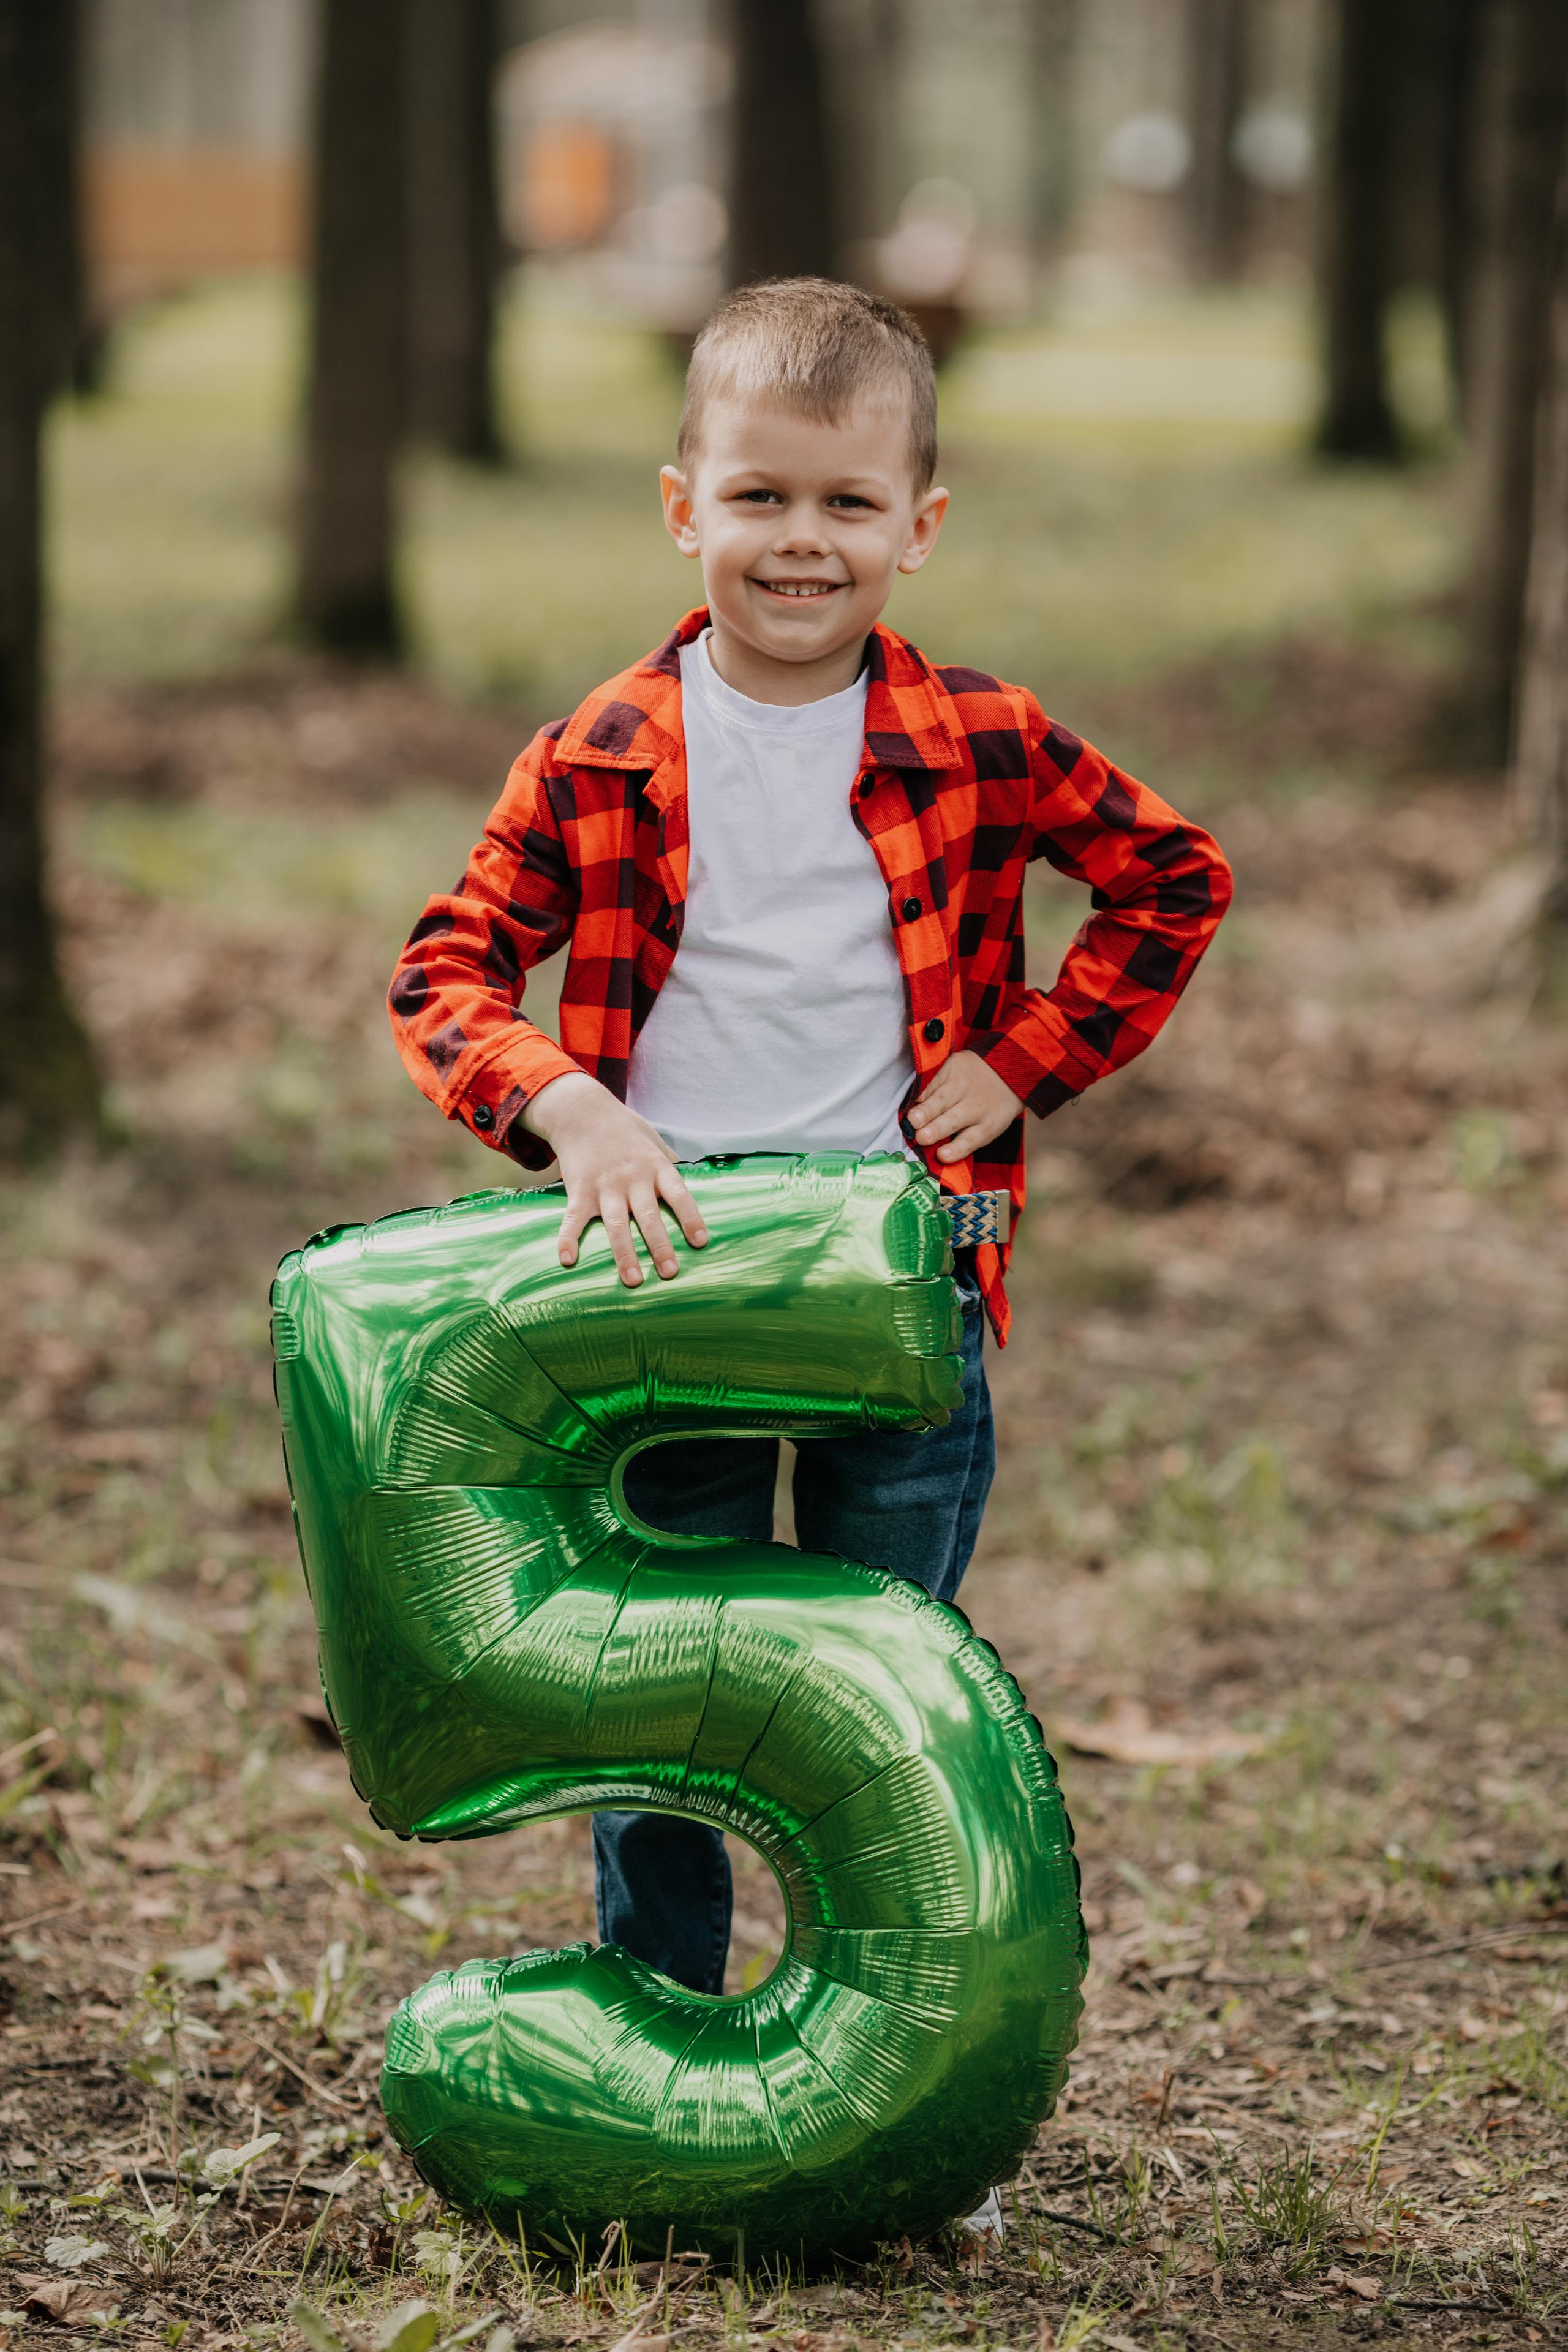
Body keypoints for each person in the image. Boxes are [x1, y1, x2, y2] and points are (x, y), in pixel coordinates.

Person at [388, 279, 1231, 2199]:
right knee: (664, 1680)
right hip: (656, 1296)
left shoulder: (986, 740)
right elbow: (443, 969)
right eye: (760, 497)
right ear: (681, 504)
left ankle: (900, 2061)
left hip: (893, 1288)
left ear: (919, 526)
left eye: (848, 506)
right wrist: (567, 1104)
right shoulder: (600, 749)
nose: (801, 543)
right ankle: (652, 2049)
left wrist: (1024, 1062)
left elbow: (1175, 880)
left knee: (886, 1691)